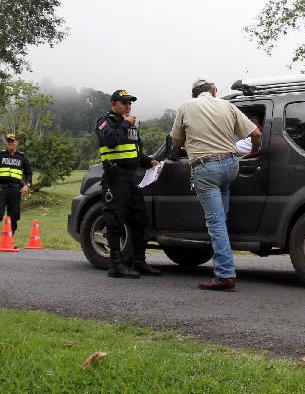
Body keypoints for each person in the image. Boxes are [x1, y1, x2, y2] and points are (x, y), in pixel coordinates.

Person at [171, 78, 262, 291]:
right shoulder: (227, 105)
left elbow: (175, 142)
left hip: (206, 168)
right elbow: (255, 133)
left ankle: (225, 275)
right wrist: (255, 151)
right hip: (230, 166)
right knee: (222, 217)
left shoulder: (185, 106)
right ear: (214, 91)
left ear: (193, 94)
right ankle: (224, 265)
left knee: (215, 222)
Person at [95, 89, 161, 278]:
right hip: (115, 178)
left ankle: (139, 262)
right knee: (115, 221)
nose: (128, 106)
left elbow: (134, 152)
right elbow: (111, 141)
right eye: (124, 102)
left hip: (132, 178)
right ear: (113, 104)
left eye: (130, 103)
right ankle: (116, 265)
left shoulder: (131, 126)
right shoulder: (104, 122)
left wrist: (148, 161)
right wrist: (125, 123)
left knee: (140, 220)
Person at [0, 133, 33, 249]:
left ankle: (9, 240)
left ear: (17, 143)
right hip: (1, 188)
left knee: (14, 215)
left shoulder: (22, 157)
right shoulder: (0, 155)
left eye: (12, 141)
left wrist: (27, 185)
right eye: (8, 141)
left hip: (16, 189)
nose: (10, 143)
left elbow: (29, 173)